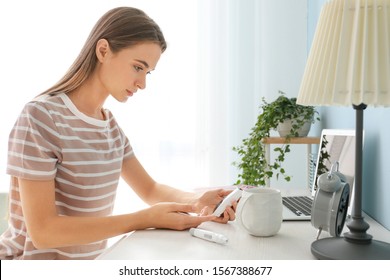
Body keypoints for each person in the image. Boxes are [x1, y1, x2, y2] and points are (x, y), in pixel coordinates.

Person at [0, 6, 236, 260]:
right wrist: (141, 219)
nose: (142, 84)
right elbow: (44, 232)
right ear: (103, 51)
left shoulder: (109, 126)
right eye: (138, 67)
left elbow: (151, 189)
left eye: (148, 73)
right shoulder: (41, 117)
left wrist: (198, 201)